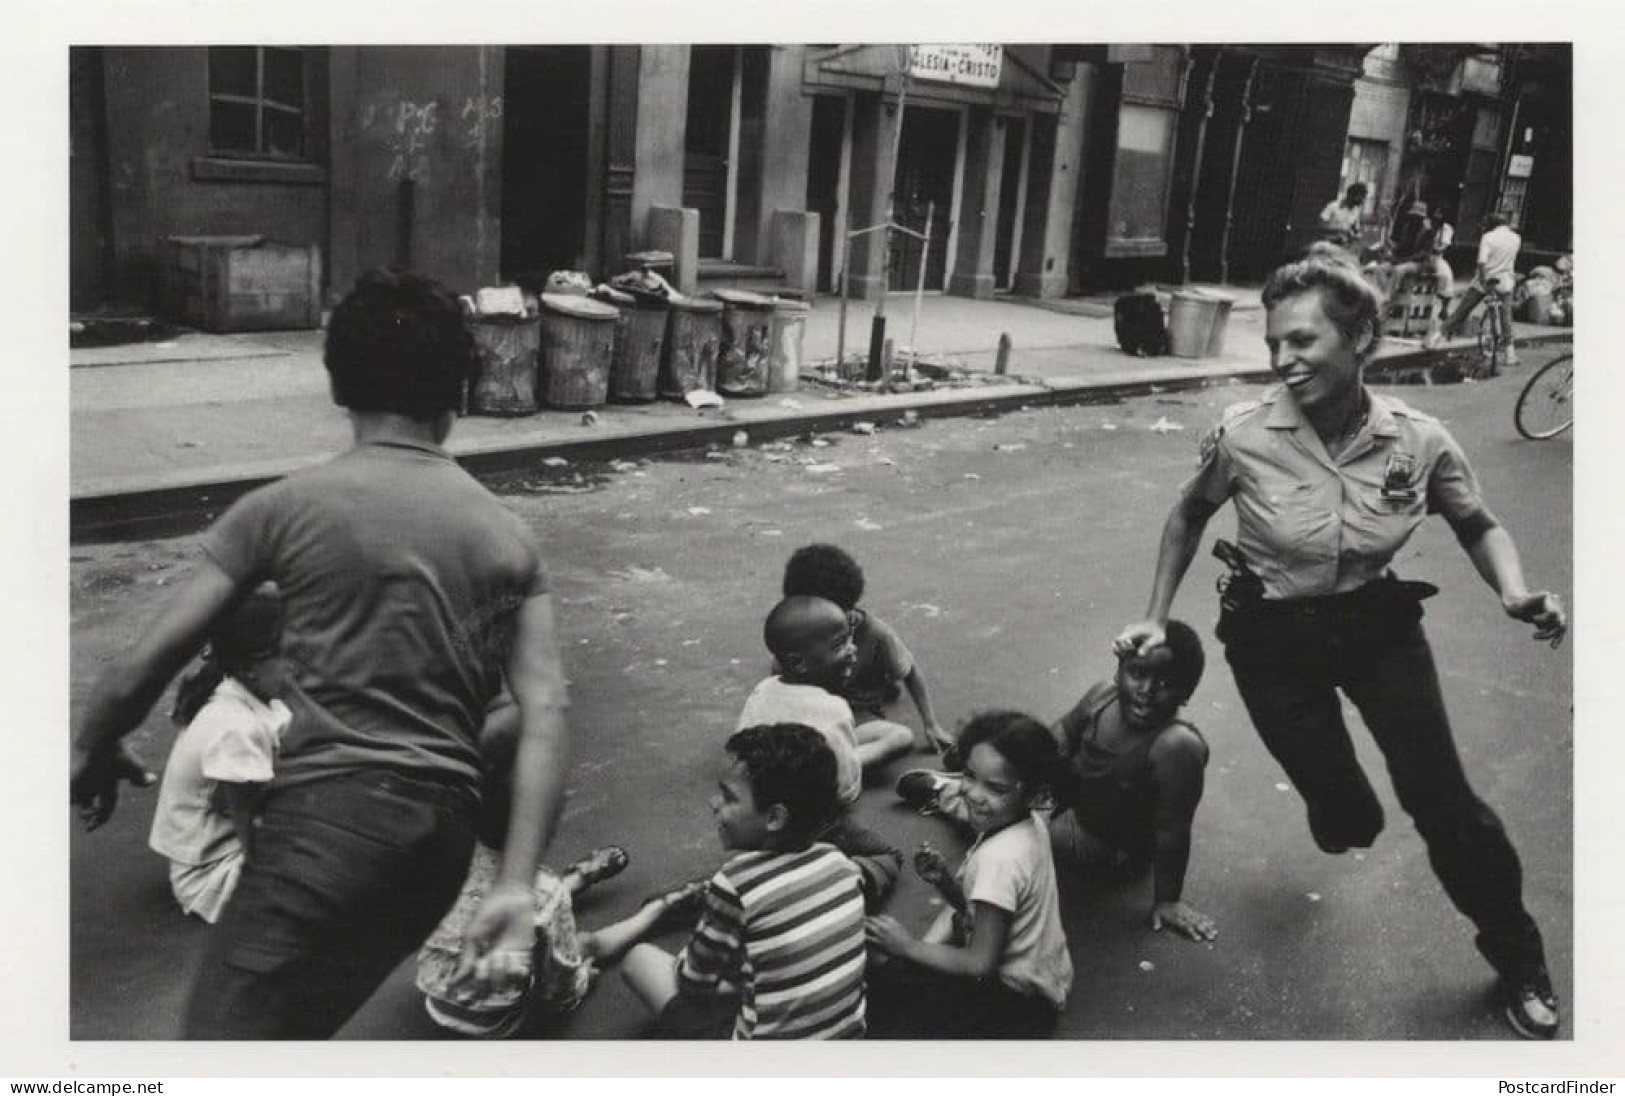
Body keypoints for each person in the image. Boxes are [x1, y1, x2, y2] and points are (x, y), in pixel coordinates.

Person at [70, 269, 571, 1039]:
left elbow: (142, 668)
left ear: (337, 386)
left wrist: (94, 744)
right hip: (436, 848)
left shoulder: (281, 509)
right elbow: (546, 712)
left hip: (328, 826)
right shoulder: (509, 534)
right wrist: (509, 881)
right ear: (462, 393)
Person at [1112, 246, 1568, 1039]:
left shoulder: (1417, 440)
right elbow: (1189, 514)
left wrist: (1513, 590)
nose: (1282, 361)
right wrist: (1154, 613)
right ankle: (1337, 804)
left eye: (1302, 341)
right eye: (1273, 344)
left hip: (1373, 626)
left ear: (1359, 340)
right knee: (1350, 819)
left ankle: (1517, 957)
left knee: (1446, 804)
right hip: (1268, 637)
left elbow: (1476, 523)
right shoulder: (1242, 434)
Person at [896, 622, 1218, 943]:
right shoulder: (1102, 697)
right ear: (1119, 671)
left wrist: (1168, 899)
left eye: (1164, 682)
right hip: (1070, 796)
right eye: (1137, 673)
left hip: (1101, 840)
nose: (1146, 689)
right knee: (1013, 767)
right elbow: (1055, 739)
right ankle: (981, 779)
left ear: (1187, 692)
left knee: (1006, 827)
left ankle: (950, 793)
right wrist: (1010, 757)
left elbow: (1172, 831)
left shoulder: (1176, 747)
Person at [417, 692, 693, 1038]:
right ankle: (658, 909)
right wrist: (581, 982)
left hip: (436, 997)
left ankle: (577, 879)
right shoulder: (543, 894)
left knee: (504, 893)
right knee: (585, 942)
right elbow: (558, 986)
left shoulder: (438, 854)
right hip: (497, 1022)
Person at [619, 723, 869, 1039]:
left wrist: (697, 964)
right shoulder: (840, 863)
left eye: (728, 797)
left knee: (640, 960)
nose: (714, 804)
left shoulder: (735, 883)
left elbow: (694, 983)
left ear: (775, 818)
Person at [865, 711, 1074, 1038]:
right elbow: (991, 910)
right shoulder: (1027, 825)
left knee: (883, 984)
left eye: (995, 788)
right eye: (969, 775)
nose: (973, 793)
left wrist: (905, 947)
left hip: (1015, 1007)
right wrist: (946, 882)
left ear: (1034, 794)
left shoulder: (999, 859)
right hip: (1045, 976)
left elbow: (979, 965)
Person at [737, 595, 903, 906]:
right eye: (840, 645)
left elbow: (742, 749)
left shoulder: (763, 689)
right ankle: (841, 886)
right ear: (800, 662)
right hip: (808, 826)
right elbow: (845, 790)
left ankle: (732, 887)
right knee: (887, 856)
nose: (853, 650)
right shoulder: (833, 710)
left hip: (758, 815)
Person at [148, 585, 290, 924]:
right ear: (251, 667)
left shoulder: (248, 696)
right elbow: (246, 828)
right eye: (288, 656)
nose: (298, 666)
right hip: (212, 871)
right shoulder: (234, 726)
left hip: (229, 842)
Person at [781, 542, 952, 756]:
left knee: (899, 737)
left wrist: (931, 724)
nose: (849, 616)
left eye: (848, 609)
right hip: (814, 712)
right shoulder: (796, 634)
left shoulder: (874, 632)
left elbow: (911, 672)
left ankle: (838, 764)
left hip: (856, 713)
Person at [1442, 210, 1522, 365]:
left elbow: (1481, 263)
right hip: (1505, 281)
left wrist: (1484, 282)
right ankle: (1510, 354)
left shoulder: (1488, 237)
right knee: (1506, 317)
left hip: (1485, 280)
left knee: (1462, 310)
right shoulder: (1516, 238)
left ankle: (1438, 337)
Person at [1317, 183, 1368, 247]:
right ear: (1351, 195)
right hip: (1327, 244)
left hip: (1343, 246)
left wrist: (1357, 234)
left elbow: (1355, 229)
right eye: (1361, 197)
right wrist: (1339, 232)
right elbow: (1320, 227)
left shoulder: (1356, 210)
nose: (1362, 201)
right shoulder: (1333, 206)